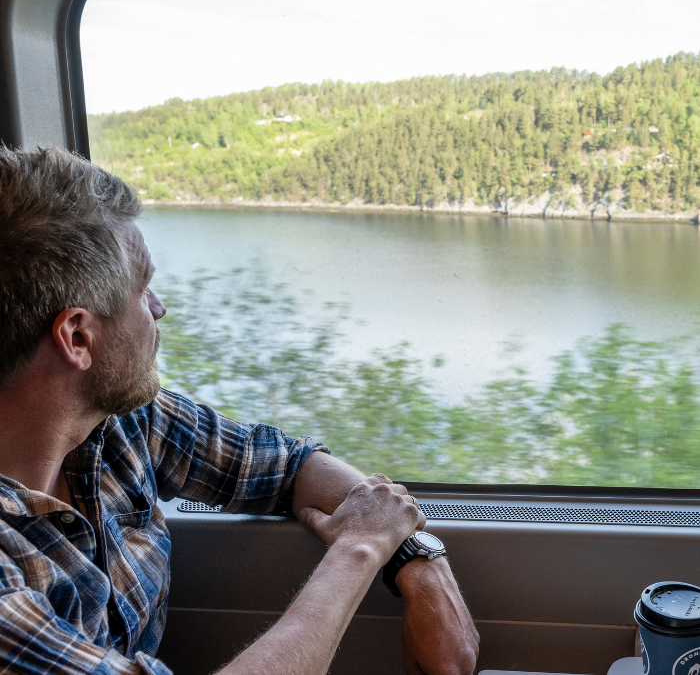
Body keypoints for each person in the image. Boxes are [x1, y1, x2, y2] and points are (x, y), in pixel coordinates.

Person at [0, 146, 479, 675]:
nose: (160, 308)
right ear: (77, 336)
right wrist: (361, 549)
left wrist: (420, 563)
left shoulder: (119, 424)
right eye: (142, 290)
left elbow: (286, 466)